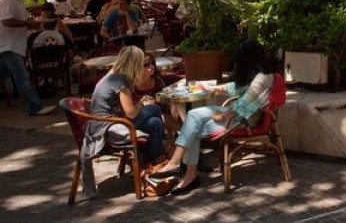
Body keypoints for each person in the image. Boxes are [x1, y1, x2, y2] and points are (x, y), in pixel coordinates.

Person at [150, 40, 277, 196]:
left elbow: (242, 105)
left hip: (243, 119)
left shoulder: (261, 78)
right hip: (239, 113)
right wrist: (212, 88)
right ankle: (180, 167)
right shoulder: (260, 74)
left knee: (192, 127)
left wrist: (219, 115)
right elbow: (237, 88)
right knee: (192, 117)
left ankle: (184, 171)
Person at [82, 46, 166, 197]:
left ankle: (150, 163)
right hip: (109, 128)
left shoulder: (112, 74)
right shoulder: (121, 80)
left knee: (155, 122)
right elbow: (131, 113)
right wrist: (142, 104)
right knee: (154, 109)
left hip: (105, 124)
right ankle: (155, 160)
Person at [0, 0, 55, 116]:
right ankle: (35, 106)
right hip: (9, 45)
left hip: (15, 44)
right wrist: (28, 24)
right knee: (22, 76)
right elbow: (6, 21)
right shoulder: (8, 0)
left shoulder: (19, 1)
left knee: (3, 74)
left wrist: (30, 22)